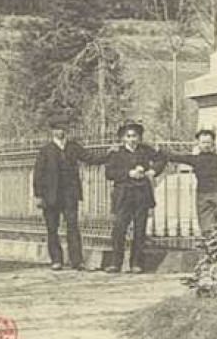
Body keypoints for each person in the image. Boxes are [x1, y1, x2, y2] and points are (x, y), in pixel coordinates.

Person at [33, 117, 110, 271]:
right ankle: (56, 260)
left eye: (62, 128)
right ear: (52, 131)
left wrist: (108, 155)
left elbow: (90, 158)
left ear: (66, 130)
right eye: (56, 129)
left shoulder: (73, 147)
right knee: (52, 228)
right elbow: (38, 174)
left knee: (73, 227)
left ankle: (77, 261)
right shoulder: (45, 151)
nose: (59, 131)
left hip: (70, 194)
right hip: (51, 196)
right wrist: (39, 195)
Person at [104, 121, 167, 274]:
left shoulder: (145, 151)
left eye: (135, 136)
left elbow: (161, 159)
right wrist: (128, 173)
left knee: (140, 229)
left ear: (139, 138)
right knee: (119, 228)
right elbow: (109, 173)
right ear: (123, 138)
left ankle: (136, 263)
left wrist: (152, 171)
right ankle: (115, 263)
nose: (132, 139)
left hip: (141, 194)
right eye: (129, 136)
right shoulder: (116, 153)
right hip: (124, 195)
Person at [163, 128, 217, 236]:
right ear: (198, 143)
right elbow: (176, 157)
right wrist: (160, 153)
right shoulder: (195, 159)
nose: (206, 145)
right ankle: (209, 248)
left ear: (213, 143)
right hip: (203, 194)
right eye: (203, 142)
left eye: (209, 142)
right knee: (205, 226)